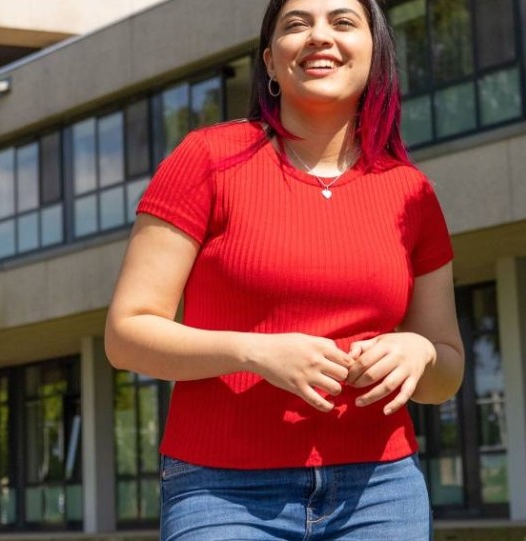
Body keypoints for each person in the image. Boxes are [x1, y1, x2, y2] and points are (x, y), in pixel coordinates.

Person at [103, 0, 464, 538]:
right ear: (271, 62)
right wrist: (254, 351)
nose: (321, 36)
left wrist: (419, 352)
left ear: (374, 53)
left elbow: (446, 372)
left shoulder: (411, 192)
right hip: (221, 491)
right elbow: (126, 335)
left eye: (343, 22)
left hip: (380, 491)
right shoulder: (207, 159)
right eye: (298, 24)